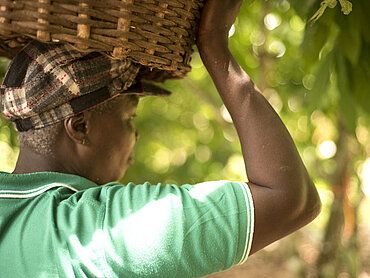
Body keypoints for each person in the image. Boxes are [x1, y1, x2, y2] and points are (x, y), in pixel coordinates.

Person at [0, 0, 321, 277]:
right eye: (130, 117)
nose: (135, 134)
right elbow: (291, 199)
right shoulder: (95, 233)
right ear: (80, 127)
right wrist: (213, 45)